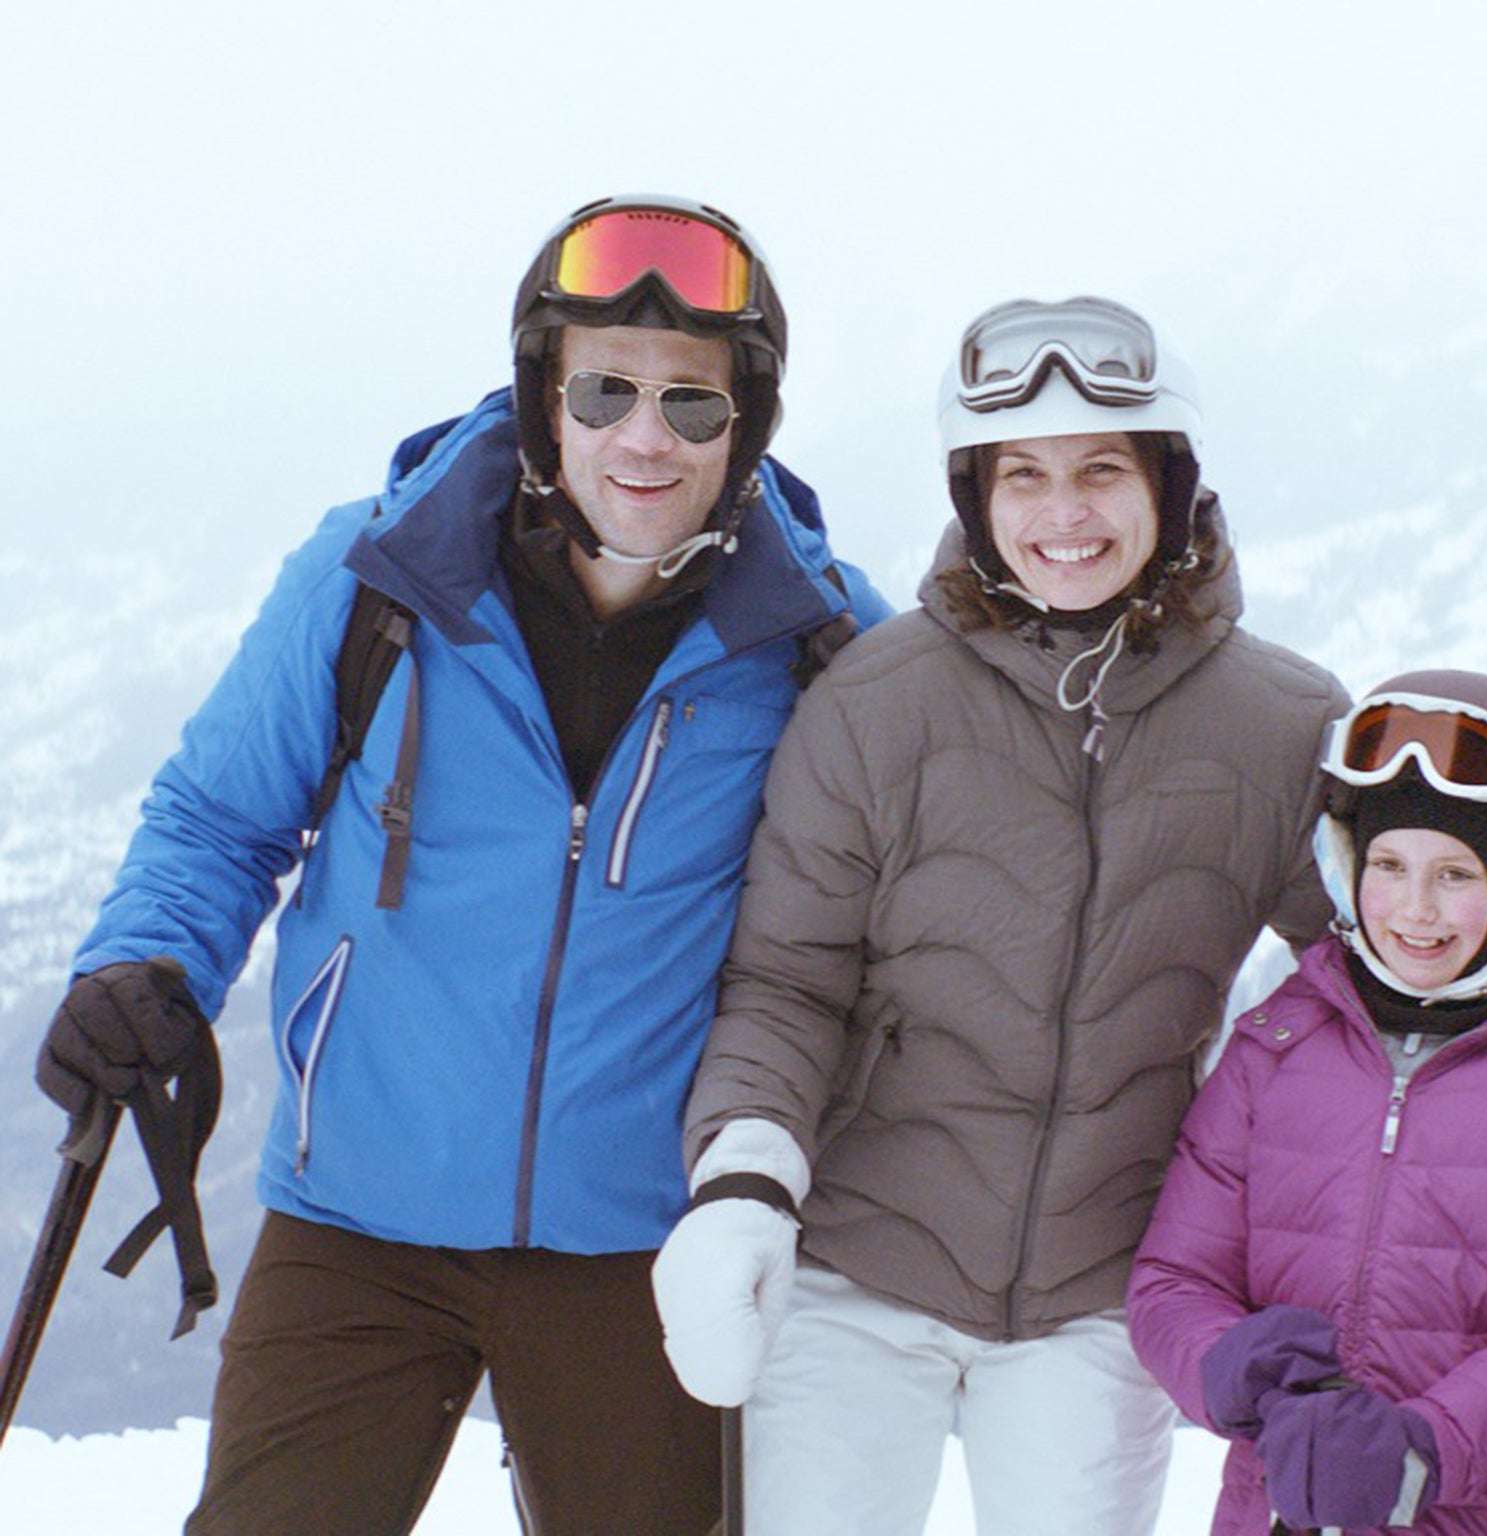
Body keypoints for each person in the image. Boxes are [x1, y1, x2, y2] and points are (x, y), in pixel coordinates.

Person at [32, 193, 885, 1533]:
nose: (645, 439)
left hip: (639, 1243)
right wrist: (144, 962)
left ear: (749, 425)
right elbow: (218, 816)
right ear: (546, 397)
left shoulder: (821, 650)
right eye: (605, 390)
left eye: (695, 405)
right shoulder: (380, 578)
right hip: (361, 1214)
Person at [651, 295, 1351, 1534]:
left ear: (1170, 482)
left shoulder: (1280, 725)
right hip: (859, 1266)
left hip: (1101, 1289)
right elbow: (787, 981)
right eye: (1020, 476)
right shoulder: (880, 702)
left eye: (1099, 470)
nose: (1061, 515)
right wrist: (746, 1181)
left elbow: (1355, 998)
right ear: (975, 498)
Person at [1125, 670, 1487, 1534]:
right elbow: (1175, 1279)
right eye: (1389, 865)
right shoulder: (1275, 1047)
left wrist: (1415, 1451)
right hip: (1280, 1507)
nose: (1416, 909)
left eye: (1457, 874)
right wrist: (1240, 1373)